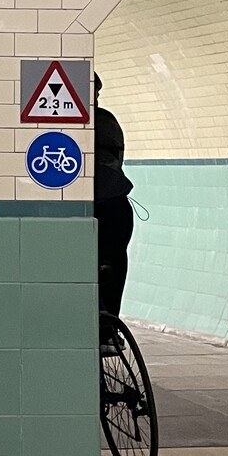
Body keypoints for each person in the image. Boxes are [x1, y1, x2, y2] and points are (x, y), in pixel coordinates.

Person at [92, 74, 133, 318]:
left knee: (107, 260)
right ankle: (109, 324)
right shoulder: (106, 121)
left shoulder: (97, 121)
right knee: (114, 261)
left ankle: (106, 322)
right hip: (115, 202)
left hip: (98, 205)